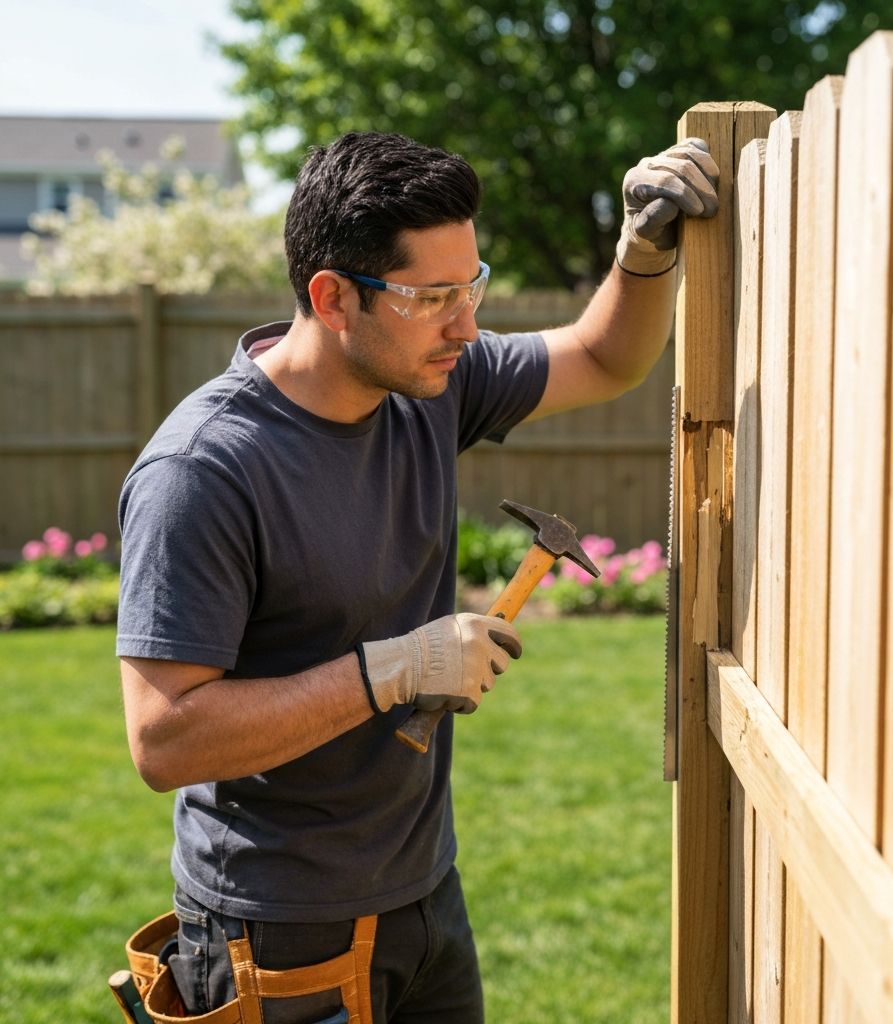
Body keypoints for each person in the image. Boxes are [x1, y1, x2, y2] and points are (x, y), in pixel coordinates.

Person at [116, 130, 719, 1024]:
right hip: (276, 935)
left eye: (469, 288)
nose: (464, 325)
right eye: (431, 297)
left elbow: (605, 359)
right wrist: (394, 669)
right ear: (333, 297)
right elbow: (164, 741)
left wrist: (642, 250)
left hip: (425, 896)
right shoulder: (205, 471)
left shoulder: (430, 387)